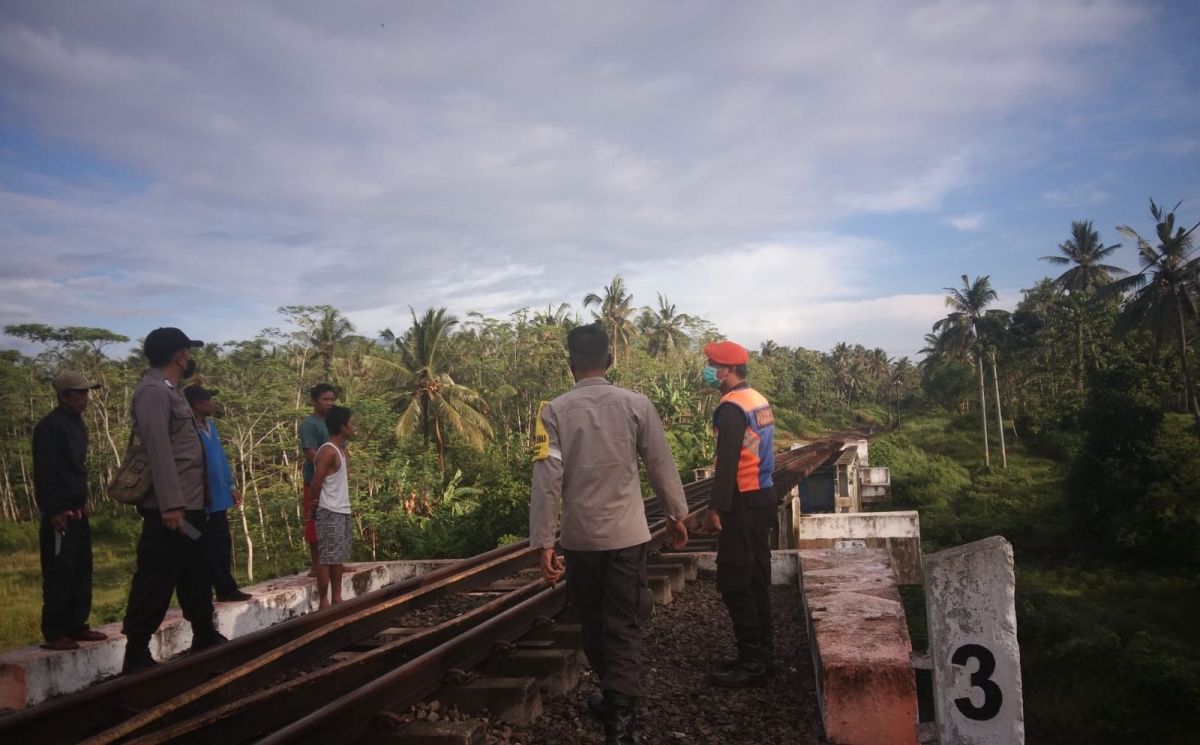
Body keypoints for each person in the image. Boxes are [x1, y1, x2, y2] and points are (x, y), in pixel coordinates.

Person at [530, 323, 689, 745]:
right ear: (611, 359)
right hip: (627, 537)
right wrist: (676, 514)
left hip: (580, 539)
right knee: (624, 624)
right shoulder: (637, 404)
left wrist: (544, 541)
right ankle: (620, 718)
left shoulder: (553, 412)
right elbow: (660, 464)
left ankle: (614, 697)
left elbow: (546, 480)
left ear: (571, 364)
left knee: (593, 622)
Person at [121, 327, 224, 674]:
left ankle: (204, 633)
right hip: (170, 511)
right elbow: (159, 451)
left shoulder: (171, 391)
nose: (190, 358)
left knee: (197, 569)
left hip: (190, 508)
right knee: (156, 577)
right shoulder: (152, 392)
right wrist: (170, 506)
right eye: (187, 352)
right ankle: (136, 651)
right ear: (179, 356)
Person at [701, 339, 777, 687]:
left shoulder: (732, 407)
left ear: (729, 370)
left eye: (713, 365)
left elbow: (727, 464)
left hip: (743, 501)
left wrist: (714, 509)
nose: (709, 371)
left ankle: (752, 661)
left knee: (734, 580)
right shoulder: (757, 399)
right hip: (762, 496)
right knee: (756, 577)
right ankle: (764, 655)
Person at [32, 370, 107, 651]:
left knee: (81, 570)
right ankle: (55, 631)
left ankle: (77, 625)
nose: (85, 398)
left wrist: (81, 502)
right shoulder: (50, 427)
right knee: (59, 573)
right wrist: (53, 510)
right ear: (64, 396)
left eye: (86, 393)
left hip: (76, 510)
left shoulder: (76, 424)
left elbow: (76, 469)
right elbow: (46, 472)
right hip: (59, 515)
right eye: (80, 393)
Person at [185, 385, 252, 603]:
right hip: (199, 500)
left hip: (219, 497)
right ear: (197, 403)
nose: (211, 403)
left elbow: (220, 459)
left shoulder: (211, 427)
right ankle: (213, 588)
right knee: (203, 546)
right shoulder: (188, 429)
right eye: (207, 399)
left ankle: (225, 587)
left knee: (223, 543)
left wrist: (231, 486)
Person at [309, 405, 354, 608]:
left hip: (342, 509)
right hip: (329, 510)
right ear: (343, 427)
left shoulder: (342, 451)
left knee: (338, 558)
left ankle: (337, 598)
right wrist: (312, 507)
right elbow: (316, 482)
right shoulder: (328, 452)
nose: (353, 428)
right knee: (326, 557)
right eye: (351, 424)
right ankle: (324, 601)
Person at [300, 383, 337, 576]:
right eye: (325, 399)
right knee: (314, 523)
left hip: (334, 483)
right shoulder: (309, 425)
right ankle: (316, 565)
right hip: (315, 481)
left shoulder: (334, 423)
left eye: (332, 399)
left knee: (335, 522)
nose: (329, 403)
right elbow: (310, 453)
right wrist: (328, 465)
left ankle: (336, 563)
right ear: (315, 401)